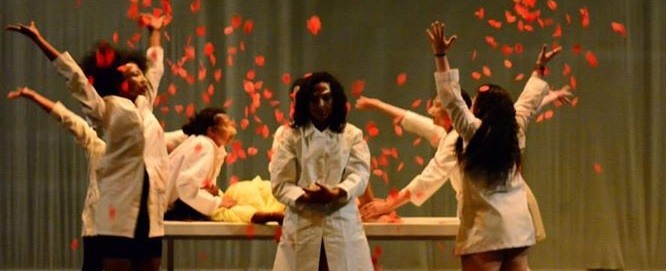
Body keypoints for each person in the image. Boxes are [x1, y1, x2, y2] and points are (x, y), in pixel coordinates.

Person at [7, 15, 169, 271]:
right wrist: (39, 41)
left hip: (150, 207)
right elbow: (76, 79)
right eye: (135, 74)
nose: (143, 78)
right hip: (119, 205)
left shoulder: (145, 105)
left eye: (140, 73)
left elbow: (155, 68)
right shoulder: (107, 108)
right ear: (120, 82)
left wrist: (155, 31)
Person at [427, 21, 561, 270]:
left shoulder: (474, 132)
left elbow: (451, 98)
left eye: (475, 103)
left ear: (480, 110)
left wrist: (440, 54)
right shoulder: (514, 129)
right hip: (517, 228)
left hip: (486, 230)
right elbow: (528, 102)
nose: (471, 106)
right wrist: (538, 69)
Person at [270, 72, 374, 271]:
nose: (321, 105)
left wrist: (337, 192)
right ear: (304, 103)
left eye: (327, 98)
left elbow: (359, 174)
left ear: (336, 100)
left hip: (341, 220)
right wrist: (305, 196)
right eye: (314, 99)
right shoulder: (291, 138)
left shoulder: (351, 135)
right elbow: (280, 183)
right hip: (303, 221)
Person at [7, 87, 105, 271]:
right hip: (98, 223)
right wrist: (33, 95)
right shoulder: (96, 143)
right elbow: (66, 118)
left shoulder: (137, 145)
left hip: (123, 223)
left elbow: (173, 142)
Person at [164, 107, 238, 221]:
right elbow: (186, 186)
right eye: (226, 124)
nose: (232, 129)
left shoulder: (209, 146)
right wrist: (217, 202)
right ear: (211, 130)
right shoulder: (204, 145)